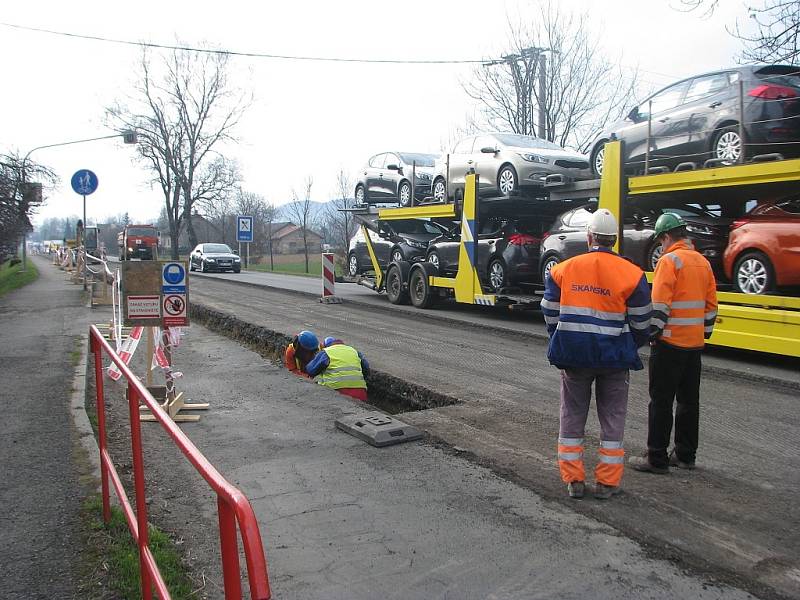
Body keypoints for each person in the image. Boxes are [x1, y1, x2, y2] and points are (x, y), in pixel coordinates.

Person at [541, 208, 652, 500]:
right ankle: (607, 483)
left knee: (572, 415)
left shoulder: (564, 269)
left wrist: (559, 338)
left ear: (590, 237)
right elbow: (642, 322)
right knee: (613, 418)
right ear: (614, 240)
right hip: (614, 359)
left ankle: (574, 479)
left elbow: (549, 311)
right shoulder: (633, 273)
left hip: (574, 357)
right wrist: (630, 344)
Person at [631, 212, 718, 474]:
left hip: (669, 345)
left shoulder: (670, 261)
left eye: (660, 241)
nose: (660, 246)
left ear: (667, 237)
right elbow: (711, 306)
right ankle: (685, 455)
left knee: (660, 401)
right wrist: (703, 333)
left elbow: (659, 306)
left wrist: (652, 335)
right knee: (689, 402)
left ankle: (656, 458)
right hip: (693, 347)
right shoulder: (702, 262)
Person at [304, 337, 370, 401]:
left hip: (336, 393)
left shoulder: (326, 352)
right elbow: (366, 369)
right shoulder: (354, 351)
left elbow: (310, 370)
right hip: (360, 393)